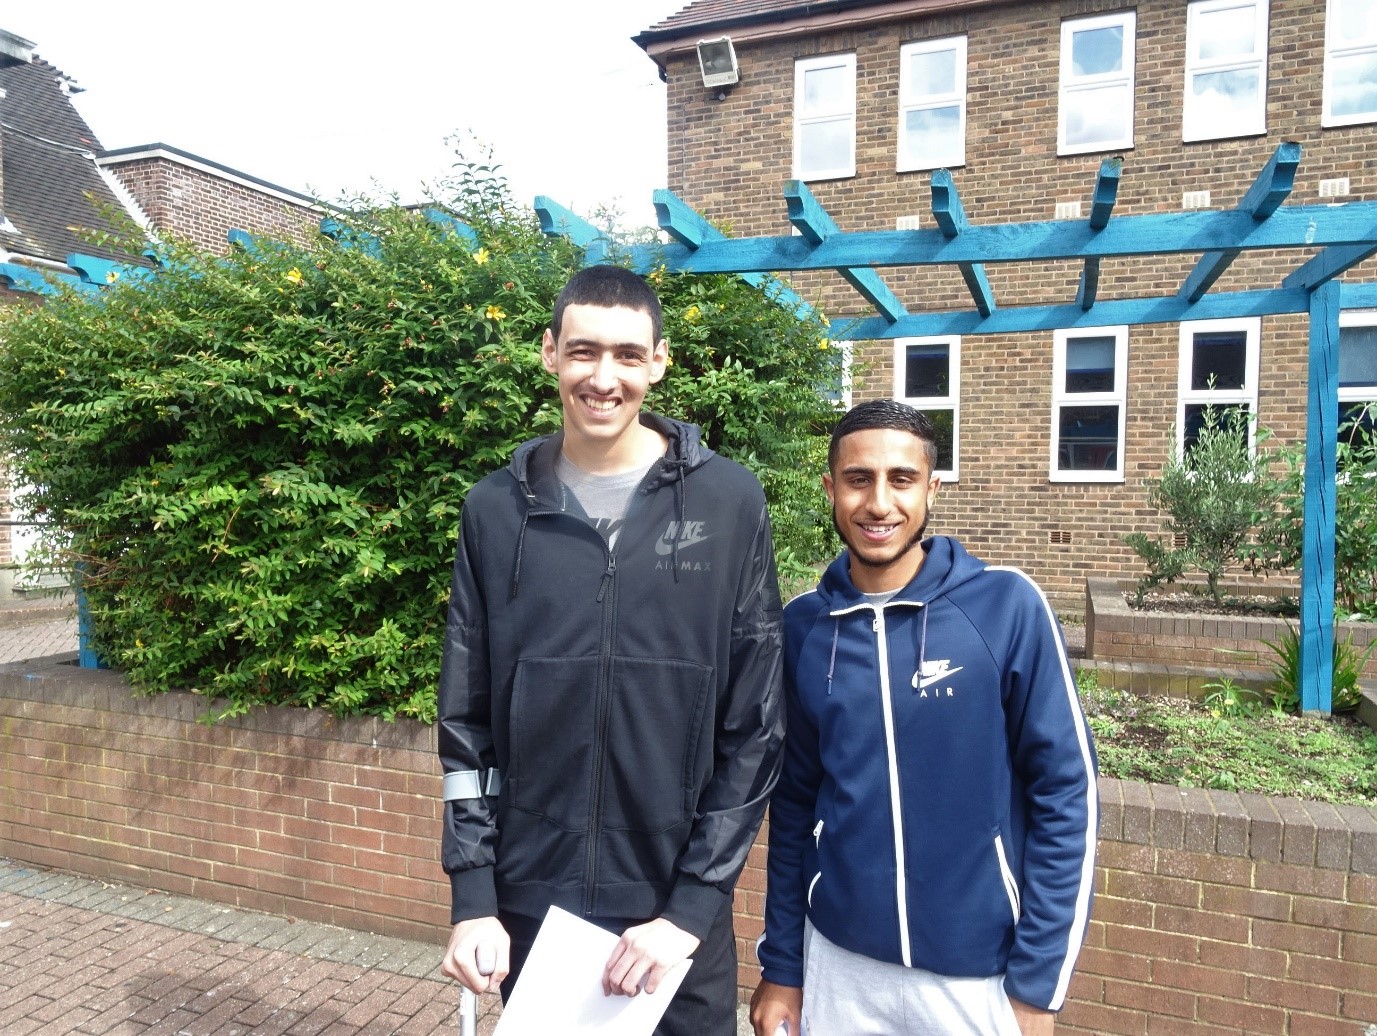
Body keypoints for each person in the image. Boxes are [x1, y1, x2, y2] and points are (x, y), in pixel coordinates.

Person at [437, 263, 785, 1035]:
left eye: (627, 354)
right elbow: (465, 720)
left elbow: (756, 726)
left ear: (658, 361)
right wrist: (473, 897)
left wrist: (692, 907)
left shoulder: (729, 502)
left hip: (672, 914)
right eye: (583, 351)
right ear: (549, 352)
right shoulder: (493, 510)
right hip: (533, 903)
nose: (603, 378)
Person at [751, 399, 1098, 1036]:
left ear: (932, 488)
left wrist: (1039, 985)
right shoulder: (804, 627)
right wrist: (783, 966)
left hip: (977, 976)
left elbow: (1066, 793)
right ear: (830, 488)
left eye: (902, 479)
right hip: (840, 965)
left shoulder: (1005, 607)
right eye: (858, 479)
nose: (879, 503)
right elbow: (794, 805)